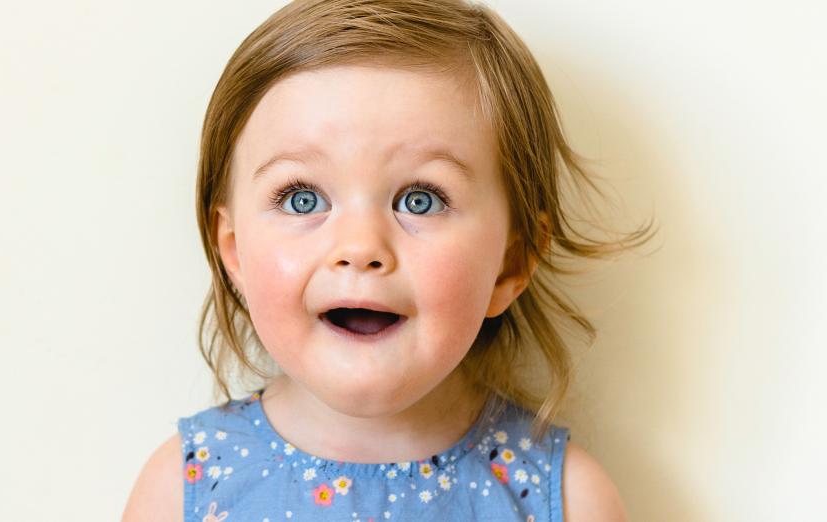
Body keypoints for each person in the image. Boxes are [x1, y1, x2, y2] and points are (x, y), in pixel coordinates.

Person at [123, 0, 654, 520]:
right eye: (302, 198)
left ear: (510, 263)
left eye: (420, 199)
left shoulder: (566, 500)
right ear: (235, 252)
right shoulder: (182, 489)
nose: (360, 247)